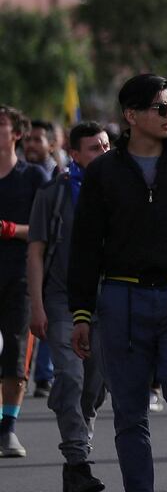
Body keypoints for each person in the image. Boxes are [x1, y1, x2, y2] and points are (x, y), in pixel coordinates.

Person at [67, 74, 167, 492]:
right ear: (131, 115)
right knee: (129, 410)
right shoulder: (104, 172)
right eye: (161, 107)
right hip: (121, 298)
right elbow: (85, 246)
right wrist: (81, 313)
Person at [26, 121, 111, 491]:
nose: (103, 153)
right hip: (63, 300)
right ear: (74, 154)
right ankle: (77, 459)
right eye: (94, 148)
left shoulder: (122, 190)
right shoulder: (53, 194)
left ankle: (79, 439)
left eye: (106, 146)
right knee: (71, 377)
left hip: (108, 301)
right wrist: (37, 305)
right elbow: (36, 251)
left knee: (95, 385)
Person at [0, 106, 51, 458]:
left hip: (19, 277)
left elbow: (47, 228)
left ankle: (8, 430)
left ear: (16, 133)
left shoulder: (33, 176)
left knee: (16, 355)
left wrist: (10, 229)